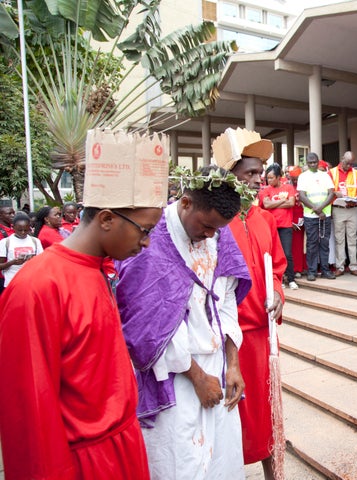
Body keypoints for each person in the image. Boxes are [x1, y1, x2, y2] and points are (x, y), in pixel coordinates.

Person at [0, 130, 169, 479]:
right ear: (106, 219)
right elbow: (29, 412)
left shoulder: (99, 269)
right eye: (144, 230)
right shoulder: (37, 286)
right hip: (82, 463)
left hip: (121, 445)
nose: (148, 243)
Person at [116, 164, 251, 480]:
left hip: (217, 365)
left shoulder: (219, 234)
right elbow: (145, 325)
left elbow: (226, 298)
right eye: (206, 226)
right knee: (181, 462)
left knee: (222, 459)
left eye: (217, 229)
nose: (210, 235)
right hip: (173, 372)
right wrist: (197, 376)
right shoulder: (149, 241)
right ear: (186, 203)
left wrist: (233, 364)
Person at [213, 128, 287, 480]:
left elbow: (277, 267)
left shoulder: (266, 219)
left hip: (261, 334)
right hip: (227, 337)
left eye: (261, 173)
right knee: (230, 415)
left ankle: (273, 473)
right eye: (251, 174)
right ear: (232, 177)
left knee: (265, 411)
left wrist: (277, 291)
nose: (260, 180)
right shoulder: (215, 223)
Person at [297, 152, 336, 281]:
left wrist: (321, 209)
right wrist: (317, 210)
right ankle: (312, 271)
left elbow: (331, 193)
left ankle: (325, 270)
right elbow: (302, 196)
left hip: (326, 215)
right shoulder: (303, 177)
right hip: (310, 216)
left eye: (315, 162)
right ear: (307, 163)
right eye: (310, 162)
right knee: (312, 244)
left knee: (324, 243)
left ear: (318, 161)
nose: (313, 164)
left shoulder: (325, 175)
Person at [259, 163, 298, 289]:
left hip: (285, 225)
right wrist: (282, 201)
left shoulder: (288, 187)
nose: (269, 180)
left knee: (287, 253)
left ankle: (291, 279)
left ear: (278, 177)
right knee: (274, 254)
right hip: (270, 227)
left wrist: (274, 202)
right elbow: (267, 205)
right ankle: (278, 280)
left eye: (271, 178)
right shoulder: (265, 190)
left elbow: (291, 203)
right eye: (267, 178)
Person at [328, 151, 357, 276]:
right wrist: (335, 193)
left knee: (353, 238)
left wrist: (355, 198)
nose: (348, 166)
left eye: (350, 164)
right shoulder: (332, 172)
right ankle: (340, 266)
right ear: (342, 158)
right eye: (346, 163)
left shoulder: (356, 173)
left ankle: (353, 266)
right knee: (339, 239)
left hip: (352, 208)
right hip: (338, 208)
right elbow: (329, 189)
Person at [0, 212, 43, 287]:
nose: (23, 232)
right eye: (20, 230)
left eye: (26, 230)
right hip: (12, 282)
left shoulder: (35, 241)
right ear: (13, 227)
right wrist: (12, 262)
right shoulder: (5, 242)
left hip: (31, 281)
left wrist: (33, 259)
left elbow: (42, 261)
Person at [288, 166, 307, 277]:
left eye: (297, 178)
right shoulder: (287, 187)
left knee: (305, 244)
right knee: (295, 245)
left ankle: (304, 267)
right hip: (292, 218)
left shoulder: (304, 186)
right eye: (292, 178)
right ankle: (296, 268)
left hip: (305, 217)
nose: (295, 181)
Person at [0, 203, 15, 296]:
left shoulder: (15, 229)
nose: (13, 215)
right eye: (9, 214)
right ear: (0, 215)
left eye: (13, 213)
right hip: (3, 276)